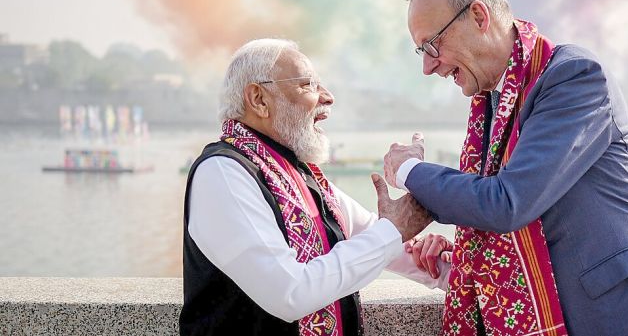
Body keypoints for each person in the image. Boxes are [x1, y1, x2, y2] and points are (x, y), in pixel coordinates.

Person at [384, 0, 628, 335]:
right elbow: (518, 218)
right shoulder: (493, 104)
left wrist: (409, 171)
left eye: (432, 45)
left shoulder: (574, 77)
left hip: (621, 315)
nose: (428, 66)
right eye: (421, 52)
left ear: (479, 16)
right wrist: (464, 259)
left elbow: (508, 203)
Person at [181, 38, 449, 336]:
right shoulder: (222, 172)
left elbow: (379, 238)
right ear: (258, 99)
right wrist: (394, 230)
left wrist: (444, 263)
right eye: (308, 84)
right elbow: (289, 293)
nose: (328, 97)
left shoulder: (298, 173)